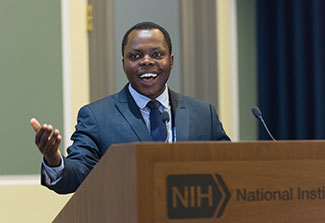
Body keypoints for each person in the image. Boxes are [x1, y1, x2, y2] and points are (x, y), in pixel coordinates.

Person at [31, 22, 230, 194]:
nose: (146, 61)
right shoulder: (97, 117)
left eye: (157, 54)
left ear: (171, 60)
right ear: (124, 63)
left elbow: (233, 168)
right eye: (135, 56)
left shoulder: (204, 114)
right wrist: (54, 160)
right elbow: (78, 173)